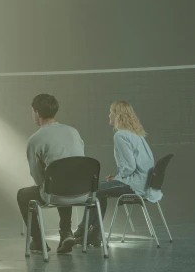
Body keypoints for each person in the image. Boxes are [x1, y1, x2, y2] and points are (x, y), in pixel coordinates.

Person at [74, 101, 158, 246]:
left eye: (111, 112)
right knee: (99, 190)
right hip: (145, 183)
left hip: (133, 185)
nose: (109, 115)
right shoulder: (137, 135)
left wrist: (118, 177)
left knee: (95, 189)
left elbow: (130, 166)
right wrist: (117, 177)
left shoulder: (120, 135)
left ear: (118, 115)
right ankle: (93, 235)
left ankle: (84, 230)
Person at [17, 94, 85, 254]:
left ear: (37, 113)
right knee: (64, 182)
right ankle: (66, 233)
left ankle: (38, 242)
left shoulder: (35, 139)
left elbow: (37, 177)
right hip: (82, 192)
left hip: (56, 192)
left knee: (24, 194)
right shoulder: (73, 131)